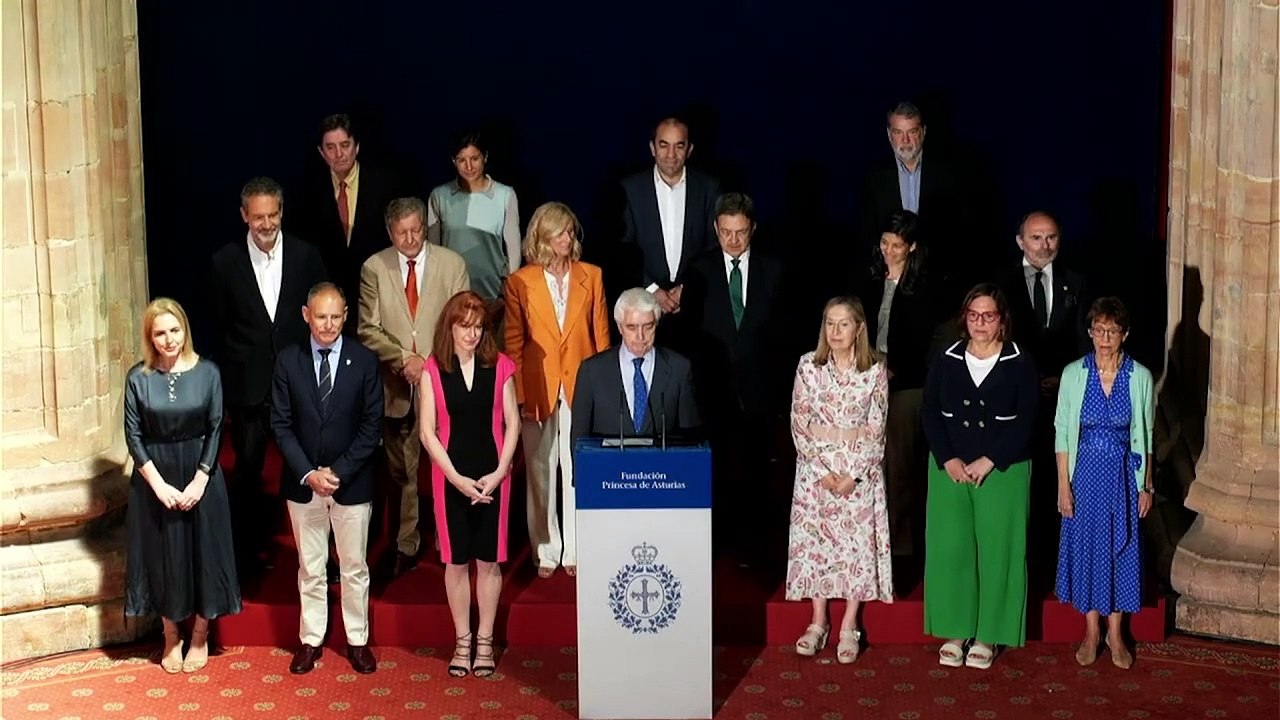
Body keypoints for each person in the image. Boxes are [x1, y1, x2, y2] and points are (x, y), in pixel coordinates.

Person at [210, 176, 327, 578]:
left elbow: (322, 317)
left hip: (297, 385)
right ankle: (247, 557)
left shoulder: (306, 256)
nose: (266, 224)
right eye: (258, 216)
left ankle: (317, 555)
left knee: (309, 467)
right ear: (244, 216)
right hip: (249, 389)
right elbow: (218, 326)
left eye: (272, 215)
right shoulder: (224, 263)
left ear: (282, 212)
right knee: (247, 472)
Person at [921, 283, 1038, 669]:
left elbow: (1027, 420)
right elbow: (931, 413)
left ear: (1002, 320)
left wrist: (991, 459)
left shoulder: (1021, 362)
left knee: (998, 551)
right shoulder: (946, 357)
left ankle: (988, 633)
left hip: (1002, 470)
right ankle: (957, 630)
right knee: (951, 549)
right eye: (974, 315)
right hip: (950, 470)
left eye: (988, 315)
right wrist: (948, 459)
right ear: (964, 319)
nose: (980, 323)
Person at [271, 282, 384, 675]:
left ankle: (357, 640)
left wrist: (336, 473)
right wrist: (309, 473)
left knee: (354, 566)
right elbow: (281, 425)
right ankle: (311, 640)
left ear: (346, 315)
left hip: (350, 484)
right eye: (321, 316)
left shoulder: (365, 360)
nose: (328, 324)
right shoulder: (288, 361)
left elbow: (371, 428)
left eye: (336, 317)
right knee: (311, 566)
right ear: (306, 315)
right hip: (304, 486)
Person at [124, 298, 240, 674]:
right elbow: (133, 435)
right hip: (155, 479)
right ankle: (171, 635)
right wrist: (158, 485)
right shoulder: (137, 378)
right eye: (160, 333)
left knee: (204, 554)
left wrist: (200, 479)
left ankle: (202, 634)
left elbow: (215, 426)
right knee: (162, 557)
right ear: (150, 337)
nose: (169, 339)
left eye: (174, 330)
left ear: (185, 330)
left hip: (200, 476)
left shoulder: (208, 373)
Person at [358, 197, 470, 577]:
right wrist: (404, 359)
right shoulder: (374, 267)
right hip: (397, 386)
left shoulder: (452, 265)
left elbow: (464, 322)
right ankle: (407, 544)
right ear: (390, 232)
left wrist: (430, 366)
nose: (410, 239)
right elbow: (366, 328)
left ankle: (448, 538)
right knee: (402, 471)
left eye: (416, 230)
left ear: (426, 226)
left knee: (448, 464)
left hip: (445, 382)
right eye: (401, 232)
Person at [503, 202, 610, 578]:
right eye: (559, 232)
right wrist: (518, 395)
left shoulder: (591, 276)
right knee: (540, 468)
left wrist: (605, 395)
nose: (567, 238)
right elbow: (513, 344)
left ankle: (577, 549)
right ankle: (546, 549)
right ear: (542, 238)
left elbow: (601, 342)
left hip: (582, 387)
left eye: (570, 231)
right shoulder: (520, 282)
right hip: (537, 387)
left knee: (578, 467)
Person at [419, 291, 520, 678]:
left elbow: (512, 424)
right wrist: (456, 479)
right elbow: (428, 433)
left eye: (478, 327)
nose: (472, 335)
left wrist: (499, 473)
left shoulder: (501, 366)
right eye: (465, 327)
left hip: (493, 478)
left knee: (489, 561)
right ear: (451, 326)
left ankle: (485, 641)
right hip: (451, 479)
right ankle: (462, 641)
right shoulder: (433, 368)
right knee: (456, 562)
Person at [786, 296, 893, 664]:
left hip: (856, 471)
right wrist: (820, 471)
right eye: (830, 323)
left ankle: (849, 622)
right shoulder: (808, 366)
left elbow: (877, 428)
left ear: (859, 328)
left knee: (853, 547)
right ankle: (818, 621)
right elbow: (799, 420)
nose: (835, 331)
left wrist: (855, 474)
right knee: (817, 544)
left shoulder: (875, 370)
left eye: (843, 324)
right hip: (817, 469)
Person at [683, 192, 787, 564]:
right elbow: (689, 334)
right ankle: (718, 547)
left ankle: (756, 548)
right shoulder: (699, 271)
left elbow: (783, 334)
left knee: (759, 472)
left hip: (761, 391)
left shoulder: (774, 270)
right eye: (726, 232)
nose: (733, 240)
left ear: (753, 228)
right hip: (715, 391)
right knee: (719, 470)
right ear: (715, 228)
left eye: (740, 232)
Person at [1054, 297, 1154, 669]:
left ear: (1124, 334)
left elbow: (1147, 434)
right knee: (1088, 549)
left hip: (1124, 477)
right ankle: (1090, 631)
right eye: (1098, 330)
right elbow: (1063, 433)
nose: (1105, 337)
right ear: (1090, 332)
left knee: (1121, 549)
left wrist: (1147, 486)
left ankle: (1116, 634)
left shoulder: (1139, 377)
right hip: (1085, 476)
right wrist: (1063, 486)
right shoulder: (1073, 374)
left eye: (1112, 331)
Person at [855, 210, 938, 575]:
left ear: (913, 247)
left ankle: (903, 552)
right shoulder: (869, 279)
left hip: (905, 387)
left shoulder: (924, 286)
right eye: (885, 243)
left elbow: (924, 342)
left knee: (900, 468)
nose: (889, 251)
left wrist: (893, 369)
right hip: (863, 382)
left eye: (898, 245)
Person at [618, 117, 721, 353]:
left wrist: (686, 288)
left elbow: (714, 244)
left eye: (679, 145)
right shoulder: (630, 189)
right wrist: (653, 290)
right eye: (664, 145)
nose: (671, 154)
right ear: (653, 148)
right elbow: (624, 249)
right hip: (644, 309)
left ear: (690, 149)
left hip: (695, 310)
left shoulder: (708, 188)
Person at [298, 113, 404, 331]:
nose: (339, 154)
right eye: (331, 147)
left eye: (345, 145)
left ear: (356, 147)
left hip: (378, 298)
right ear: (321, 152)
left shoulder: (385, 184)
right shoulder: (308, 192)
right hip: (329, 305)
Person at [570, 288, 701, 443]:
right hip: (609, 466)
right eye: (632, 327)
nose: (640, 336)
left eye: (648, 326)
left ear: (656, 324)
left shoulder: (679, 369)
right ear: (619, 327)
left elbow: (691, 439)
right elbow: (579, 441)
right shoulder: (591, 371)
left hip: (661, 466)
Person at [427, 131, 522, 314]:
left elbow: (513, 251)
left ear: (485, 157)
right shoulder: (439, 196)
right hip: (451, 297)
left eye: (474, 158)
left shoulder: (504, 195)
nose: (469, 166)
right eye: (462, 160)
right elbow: (433, 254)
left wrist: (504, 297)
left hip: (492, 296)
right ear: (453, 161)